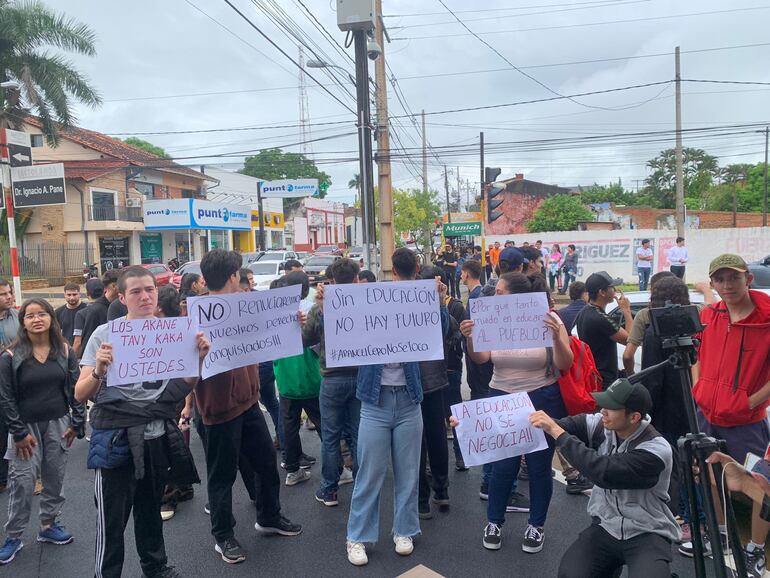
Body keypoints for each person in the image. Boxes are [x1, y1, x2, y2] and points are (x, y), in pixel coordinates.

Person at [75, 266, 209, 578]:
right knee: (112, 522)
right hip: (115, 442)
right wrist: (98, 371)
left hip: (157, 437)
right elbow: (80, 393)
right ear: (121, 297)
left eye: (149, 289)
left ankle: (155, 568)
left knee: (150, 513)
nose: (145, 296)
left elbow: (181, 386)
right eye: (135, 291)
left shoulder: (172, 332)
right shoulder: (104, 335)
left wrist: (199, 359)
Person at [192, 250, 301, 565]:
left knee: (266, 462)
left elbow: (272, 333)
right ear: (231, 276)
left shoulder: (247, 307)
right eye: (239, 274)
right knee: (222, 476)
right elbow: (187, 370)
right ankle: (223, 535)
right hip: (218, 412)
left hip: (249, 404)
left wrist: (293, 322)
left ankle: (269, 516)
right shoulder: (196, 319)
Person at [345, 248, 448, 566]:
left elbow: (440, 333)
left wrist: (439, 301)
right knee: (370, 472)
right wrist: (338, 303)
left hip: (408, 400)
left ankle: (404, 530)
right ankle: (357, 537)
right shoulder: (373, 298)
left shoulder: (419, 299)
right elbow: (342, 336)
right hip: (374, 402)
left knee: (408, 473)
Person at [459, 272, 573, 554]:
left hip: (541, 397)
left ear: (517, 296)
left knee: (538, 466)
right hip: (502, 397)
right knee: (503, 467)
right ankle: (494, 522)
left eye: (499, 292)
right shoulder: (490, 319)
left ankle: (536, 525)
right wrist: (471, 339)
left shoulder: (550, 319)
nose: (494, 296)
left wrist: (557, 336)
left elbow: (565, 363)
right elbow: (482, 359)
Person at [529, 380, 680, 578]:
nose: (603, 411)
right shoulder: (602, 425)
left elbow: (603, 473)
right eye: (604, 404)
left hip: (647, 531)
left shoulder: (656, 450)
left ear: (634, 417)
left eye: (612, 408)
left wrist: (556, 432)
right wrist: (531, 422)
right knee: (571, 574)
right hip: (606, 526)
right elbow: (563, 426)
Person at [689, 254, 770, 576]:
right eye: (720, 279)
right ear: (712, 283)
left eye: (733, 278)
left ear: (747, 279)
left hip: (745, 422)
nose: (727, 285)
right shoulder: (710, 314)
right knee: (708, 477)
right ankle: (721, 535)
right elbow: (696, 352)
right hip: (707, 414)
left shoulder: (766, 318)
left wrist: (751, 401)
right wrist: (698, 387)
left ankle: (755, 550)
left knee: (760, 485)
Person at [0, 298, 85, 565]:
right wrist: (18, 432)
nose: (37, 319)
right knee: (22, 483)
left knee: (54, 478)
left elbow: (75, 389)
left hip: (58, 424)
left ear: (51, 318)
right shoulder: (11, 357)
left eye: (42, 314)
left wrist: (77, 423)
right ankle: (13, 536)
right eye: (30, 316)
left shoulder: (64, 350)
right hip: (25, 429)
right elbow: (6, 398)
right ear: (22, 322)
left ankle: (49, 525)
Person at [302, 258, 361, 508]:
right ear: (357, 278)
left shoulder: (322, 306)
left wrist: (319, 310)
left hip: (332, 379)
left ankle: (329, 490)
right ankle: (361, 484)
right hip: (359, 377)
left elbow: (306, 339)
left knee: (330, 436)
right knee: (359, 435)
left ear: (333, 280)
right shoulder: (366, 302)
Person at [273, 271, 322, 487]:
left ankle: (292, 469)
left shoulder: (273, 313)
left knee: (289, 425)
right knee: (325, 425)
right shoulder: (309, 311)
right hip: (310, 378)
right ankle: (338, 469)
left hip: (285, 379)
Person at [415, 266, 455, 518]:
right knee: (436, 436)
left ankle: (423, 499)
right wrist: (440, 303)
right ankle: (440, 490)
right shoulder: (440, 308)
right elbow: (447, 330)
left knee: (418, 442)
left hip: (417, 384)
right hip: (434, 380)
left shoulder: (402, 306)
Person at [622, 273, 713, 377]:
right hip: (688, 378)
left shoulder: (644, 315)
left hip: (655, 379)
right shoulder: (693, 312)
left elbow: (627, 356)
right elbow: (711, 306)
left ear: (653, 293)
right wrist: (706, 289)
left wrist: (632, 377)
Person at [576, 271, 632, 389]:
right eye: (611, 287)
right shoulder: (600, 318)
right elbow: (630, 340)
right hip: (603, 381)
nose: (615, 290)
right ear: (602, 292)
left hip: (593, 377)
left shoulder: (584, 311)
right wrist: (626, 311)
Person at [0, 278, 19, 495]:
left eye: (9, 292)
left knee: (21, 429)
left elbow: (27, 338)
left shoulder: (18, 316)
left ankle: (34, 477)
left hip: (17, 382)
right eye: (3, 294)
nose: (9, 297)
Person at [74, 270, 120, 358]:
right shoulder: (95, 311)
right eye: (123, 285)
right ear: (114, 286)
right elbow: (87, 343)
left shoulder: (122, 306)